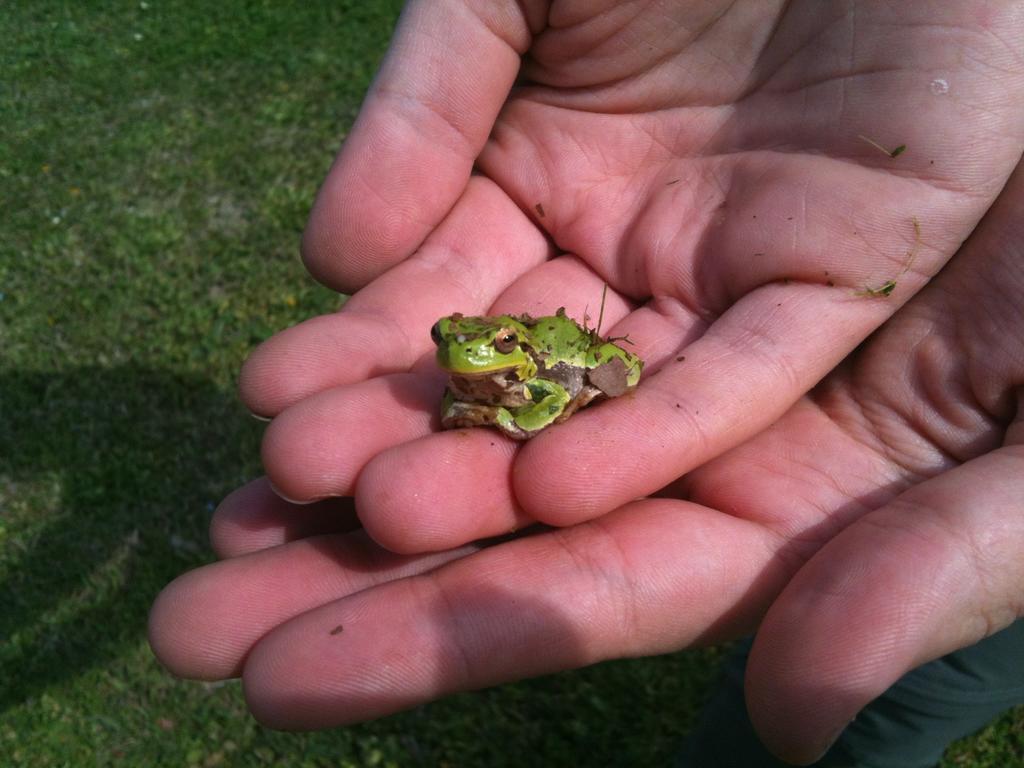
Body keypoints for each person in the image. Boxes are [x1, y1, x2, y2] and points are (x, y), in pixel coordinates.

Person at [148, 3, 1024, 764]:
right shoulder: (466, 356)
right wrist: (468, 396)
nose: (464, 352)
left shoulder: (528, 362)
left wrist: (519, 405)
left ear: (504, 347)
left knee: (878, 682)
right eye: (454, 343)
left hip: (571, 364)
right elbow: (464, 381)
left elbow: (554, 391)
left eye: (478, 344)